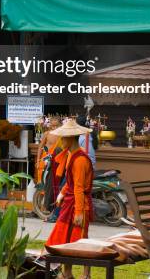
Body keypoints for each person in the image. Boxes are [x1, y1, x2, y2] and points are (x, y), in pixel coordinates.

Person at [45, 119, 94, 279]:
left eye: (63, 138)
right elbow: (71, 183)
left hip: (79, 205)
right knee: (66, 238)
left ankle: (86, 275)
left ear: (71, 138)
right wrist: (61, 193)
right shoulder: (71, 155)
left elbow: (79, 187)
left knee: (81, 240)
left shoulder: (80, 160)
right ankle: (67, 272)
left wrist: (79, 212)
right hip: (70, 202)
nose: (61, 141)